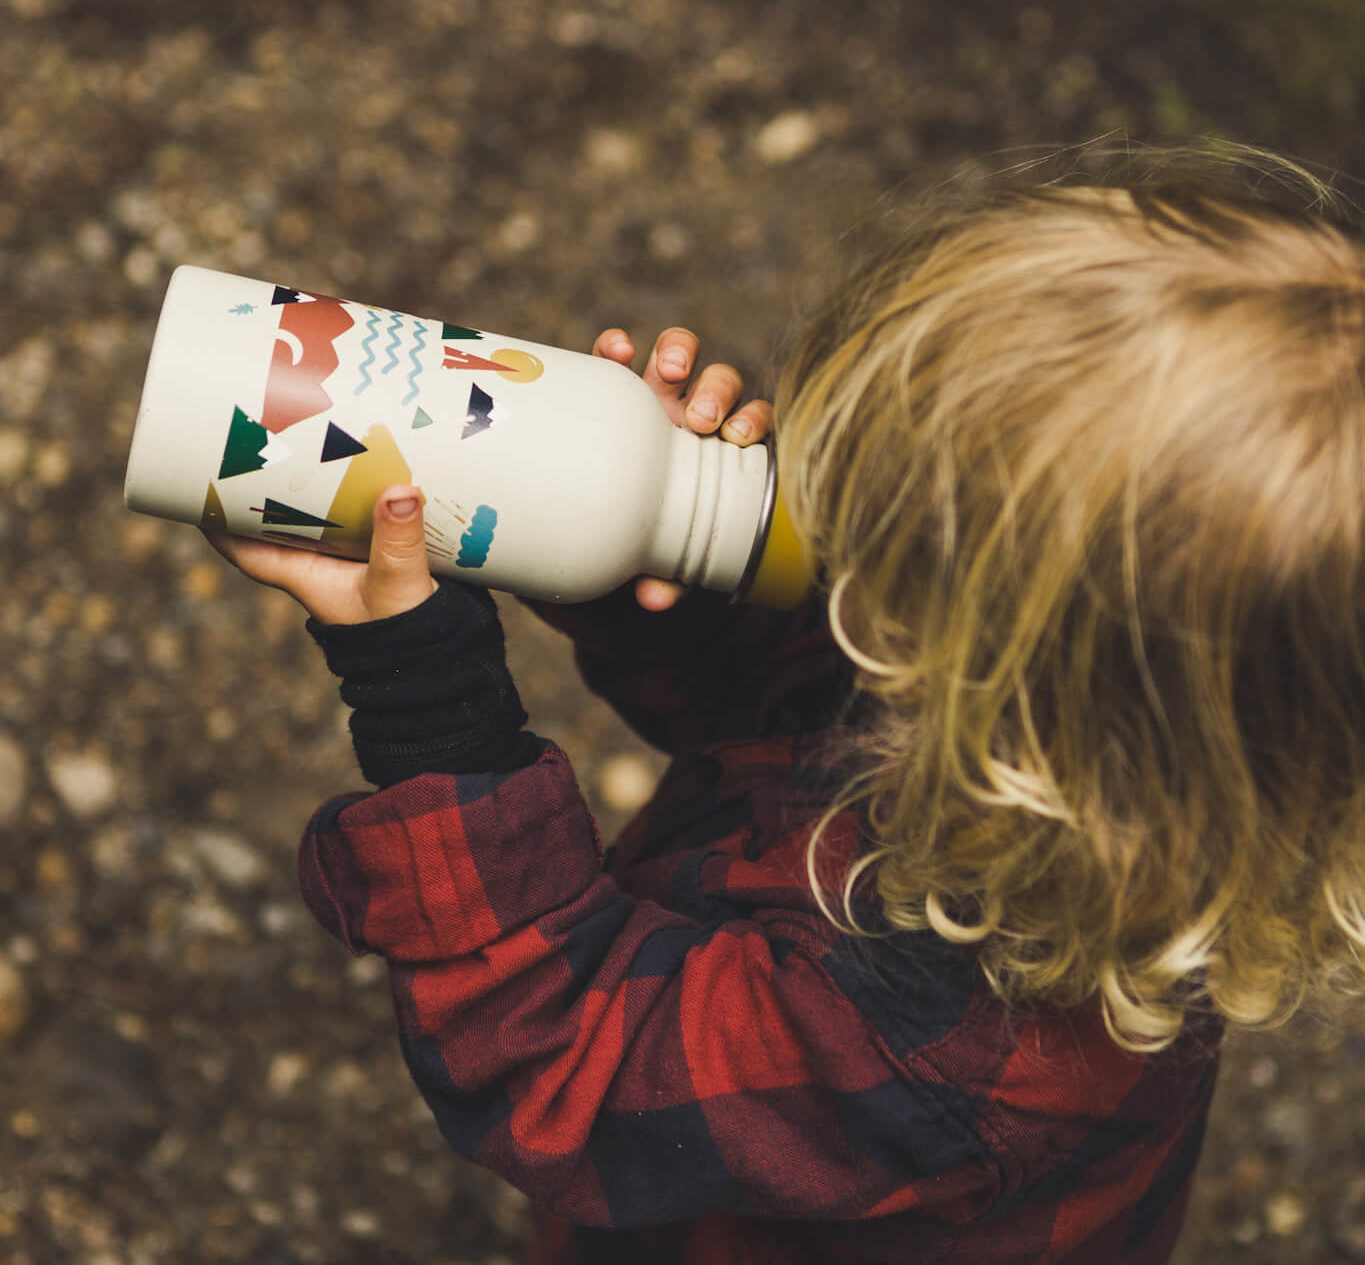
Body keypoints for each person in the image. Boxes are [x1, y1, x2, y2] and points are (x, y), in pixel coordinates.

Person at [207, 144, 1365, 1263]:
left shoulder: (959, 1034)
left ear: (1032, 697)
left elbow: (568, 1066)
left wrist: (426, 691)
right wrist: (636, 539)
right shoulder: (1035, 734)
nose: (824, 534)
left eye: (880, 534)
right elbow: (779, 707)